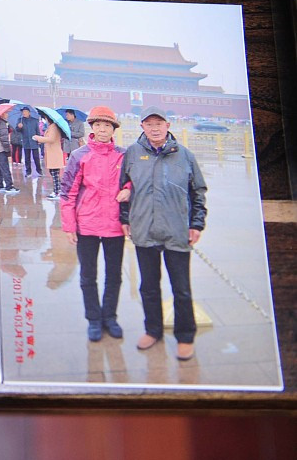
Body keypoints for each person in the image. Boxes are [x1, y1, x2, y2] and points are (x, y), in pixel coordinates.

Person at [119, 106, 207, 361]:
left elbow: (198, 192)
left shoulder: (185, 155)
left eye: (159, 123)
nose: (154, 128)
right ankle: (153, 330)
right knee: (148, 286)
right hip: (144, 228)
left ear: (168, 125)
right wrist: (125, 218)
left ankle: (185, 336)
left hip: (177, 230)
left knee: (181, 288)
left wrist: (196, 224)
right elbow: (124, 187)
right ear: (142, 127)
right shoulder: (133, 154)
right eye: (149, 124)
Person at [60, 106, 127, 341]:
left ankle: (110, 316)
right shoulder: (80, 155)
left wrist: (127, 189)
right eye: (98, 125)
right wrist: (69, 225)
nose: (102, 129)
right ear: (92, 128)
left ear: (113, 128)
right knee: (88, 275)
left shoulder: (122, 155)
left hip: (115, 224)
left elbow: (132, 181)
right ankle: (93, 319)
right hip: (86, 224)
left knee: (114, 274)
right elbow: (67, 192)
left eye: (107, 125)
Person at [32, 118, 64, 199]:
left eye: (45, 118)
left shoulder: (54, 127)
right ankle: (58, 190)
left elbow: (51, 139)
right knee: (53, 172)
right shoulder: (51, 127)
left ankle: (57, 192)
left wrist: (38, 138)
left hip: (54, 153)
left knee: (54, 173)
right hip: (52, 153)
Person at [0, 112, 19, 195]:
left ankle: (0, 185)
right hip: (0, 148)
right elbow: (4, 138)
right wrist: (7, 149)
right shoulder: (1, 123)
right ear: (2, 114)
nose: (7, 115)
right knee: (5, 168)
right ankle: (9, 186)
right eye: (6, 113)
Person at [16, 108, 42, 178]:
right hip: (26, 141)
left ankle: (39, 171)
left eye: (25, 112)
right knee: (27, 158)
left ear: (29, 112)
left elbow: (37, 131)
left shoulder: (34, 120)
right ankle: (28, 172)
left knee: (36, 157)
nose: (24, 113)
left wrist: (39, 139)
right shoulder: (20, 120)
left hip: (34, 141)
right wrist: (19, 127)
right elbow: (17, 130)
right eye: (23, 112)